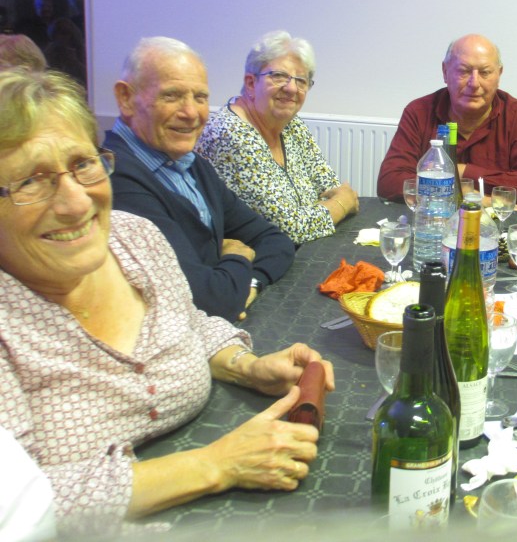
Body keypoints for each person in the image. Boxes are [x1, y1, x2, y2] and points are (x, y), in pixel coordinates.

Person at [0, 69, 335, 536]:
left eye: (82, 164)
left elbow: (188, 319)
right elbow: (23, 506)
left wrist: (246, 366)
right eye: (31, 182)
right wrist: (215, 464)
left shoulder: (134, 236)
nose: (76, 203)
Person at [104, 37, 295, 320]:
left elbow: (275, 240)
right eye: (171, 96)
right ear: (126, 98)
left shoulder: (192, 165)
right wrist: (238, 256)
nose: (191, 113)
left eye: (200, 97)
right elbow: (209, 299)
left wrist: (250, 284)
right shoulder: (115, 179)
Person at [196, 31, 359, 246]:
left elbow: (329, 186)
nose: (291, 88)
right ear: (251, 83)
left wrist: (325, 207)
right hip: (255, 256)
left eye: (301, 80)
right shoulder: (231, 135)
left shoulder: (291, 124)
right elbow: (288, 229)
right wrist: (341, 204)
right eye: (279, 76)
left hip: (303, 247)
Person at [376, 33, 517, 207]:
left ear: (499, 75)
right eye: (463, 71)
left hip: (499, 224)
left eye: (485, 72)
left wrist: (461, 171)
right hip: (435, 220)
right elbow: (389, 182)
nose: (474, 83)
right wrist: (473, 197)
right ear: (445, 72)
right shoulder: (419, 112)